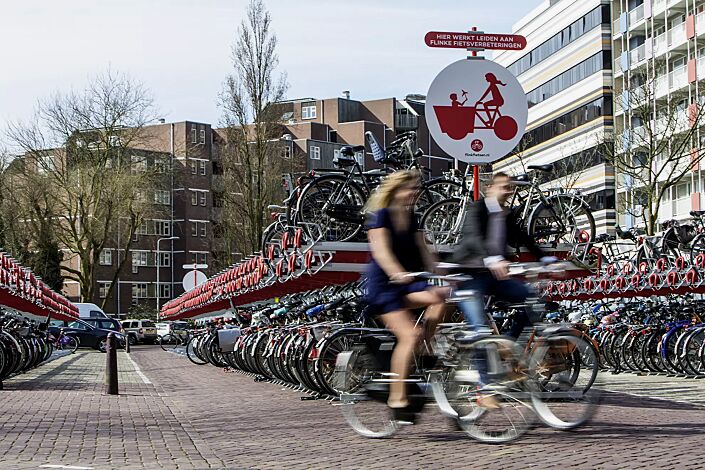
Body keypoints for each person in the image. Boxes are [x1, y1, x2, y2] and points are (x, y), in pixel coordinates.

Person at [452, 172, 556, 407]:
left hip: (494, 277)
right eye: (504, 187)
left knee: (532, 299)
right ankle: (484, 389)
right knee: (480, 330)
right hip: (470, 277)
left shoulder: (506, 215)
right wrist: (492, 258)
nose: (509, 191)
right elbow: (473, 238)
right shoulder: (477, 209)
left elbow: (523, 238)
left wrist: (546, 259)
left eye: (511, 188)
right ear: (490, 189)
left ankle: (506, 345)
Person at [364, 170, 447, 414]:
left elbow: (425, 250)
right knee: (409, 335)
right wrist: (396, 272)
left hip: (408, 285)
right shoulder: (381, 216)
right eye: (410, 188)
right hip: (384, 287)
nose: (415, 193)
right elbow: (381, 251)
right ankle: (397, 397)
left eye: (417, 188)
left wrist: (442, 274)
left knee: (441, 297)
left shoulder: (412, 218)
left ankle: (424, 350)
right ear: (397, 190)